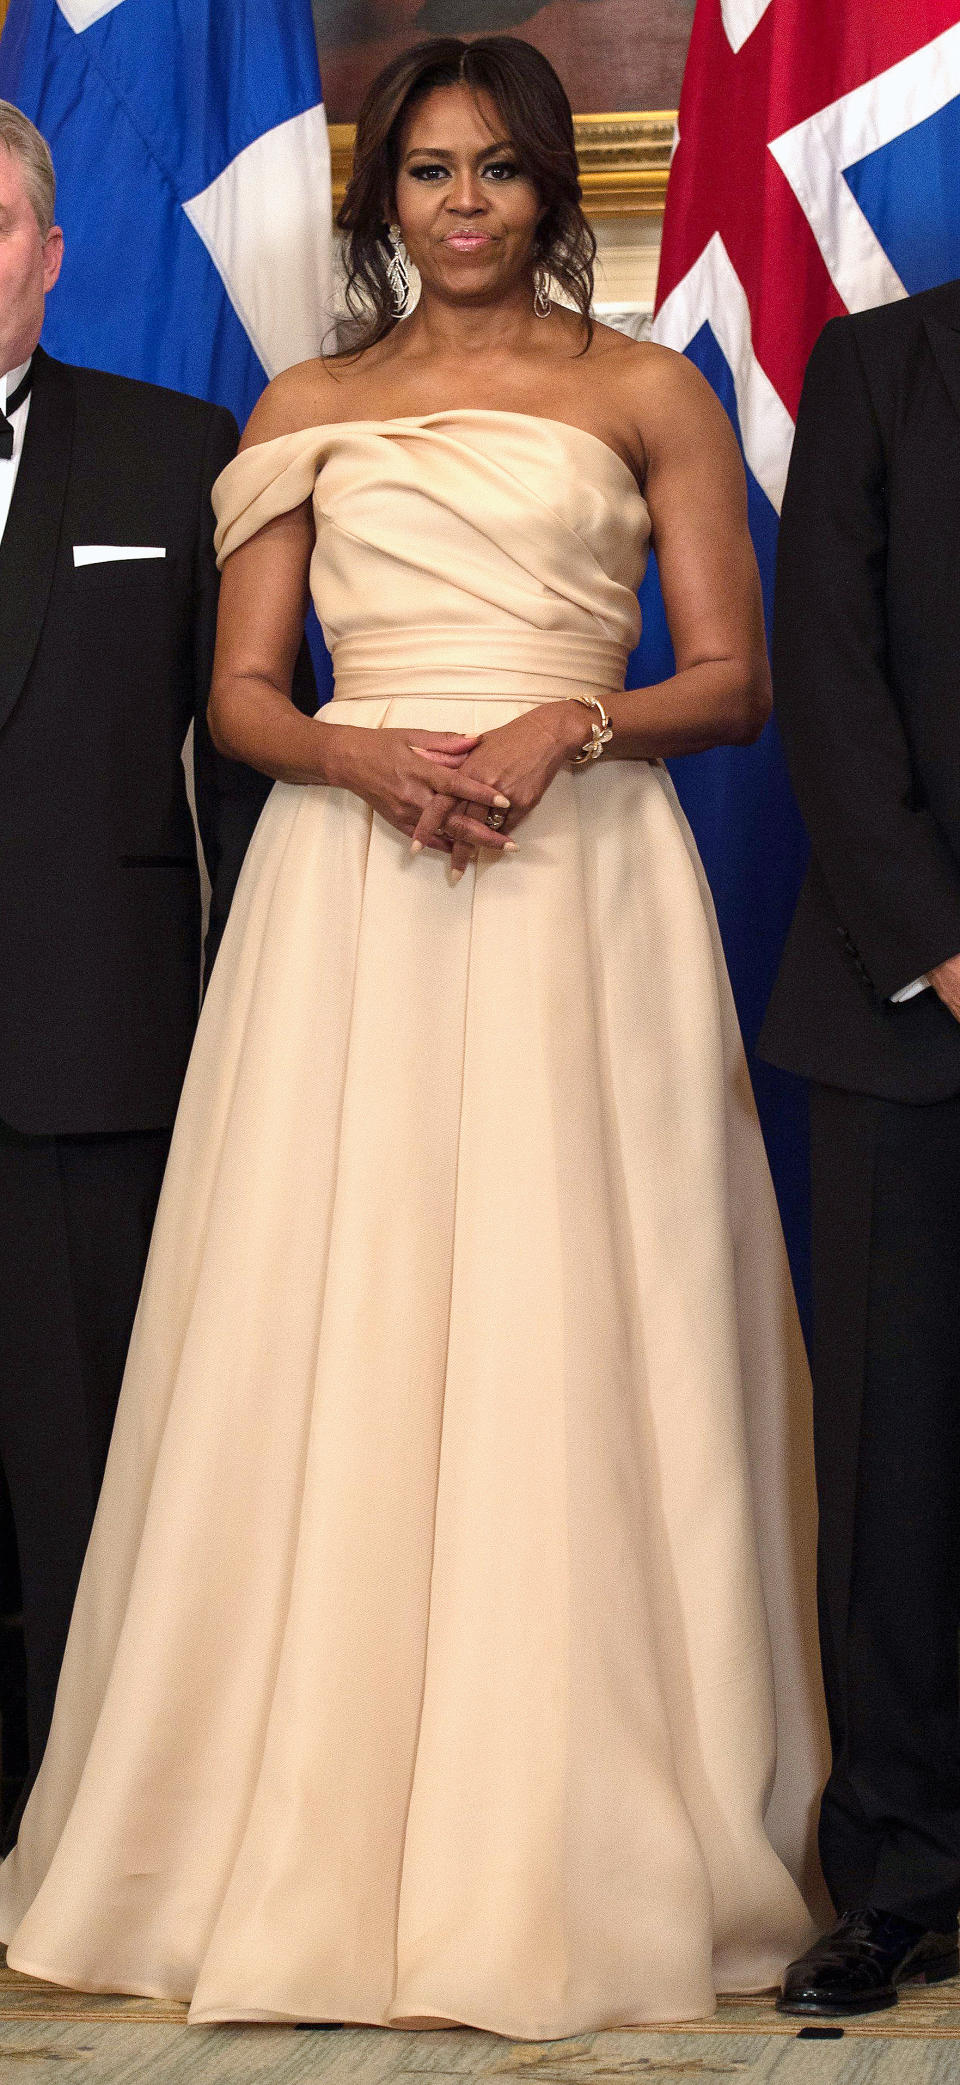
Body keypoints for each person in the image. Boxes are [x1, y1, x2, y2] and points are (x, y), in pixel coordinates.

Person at [0, 40, 826, 2034]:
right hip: (351, 895)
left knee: (571, 1328)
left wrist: (576, 721)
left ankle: (579, 1825)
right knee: (338, 1328)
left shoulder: (647, 396)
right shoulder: (300, 407)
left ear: (554, 193)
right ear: (384, 202)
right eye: (430, 172)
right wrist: (367, 758)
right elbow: (249, 695)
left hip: (587, 887)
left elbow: (734, 678)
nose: (464, 203)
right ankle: (305, 1825)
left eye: (500, 172)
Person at [0, 101, 314, 1822]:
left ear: (52, 251)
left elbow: (264, 759)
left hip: (96, 1040)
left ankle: (90, 1823)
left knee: (90, 1470)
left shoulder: (181, 448)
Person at [761, 285, 960, 2017]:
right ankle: (901, 1872)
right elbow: (825, 664)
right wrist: (940, 938)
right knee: (897, 1475)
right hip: (911, 1016)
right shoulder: (883, 368)